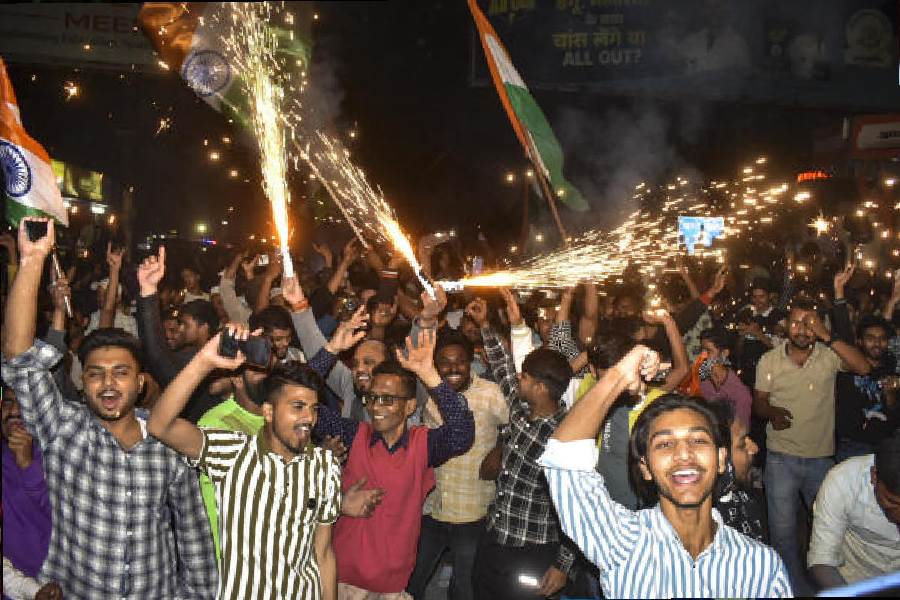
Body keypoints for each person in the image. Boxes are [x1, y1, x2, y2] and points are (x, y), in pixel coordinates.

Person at [0, 217, 218, 598]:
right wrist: (32, 259)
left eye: (120, 373)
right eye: (96, 374)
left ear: (140, 383)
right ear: (82, 383)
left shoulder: (168, 439)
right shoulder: (64, 429)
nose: (108, 383)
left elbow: (193, 536)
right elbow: (18, 356)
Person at [540, 344, 792, 598]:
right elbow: (563, 462)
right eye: (665, 444)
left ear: (720, 459)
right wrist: (618, 376)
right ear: (645, 468)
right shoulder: (622, 542)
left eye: (698, 440)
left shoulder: (760, 565)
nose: (683, 454)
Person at [148, 324, 342, 600]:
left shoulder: (324, 465)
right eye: (297, 407)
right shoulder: (233, 451)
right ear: (269, 412)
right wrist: (204, 361)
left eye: (312, 409)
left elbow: (323, 553)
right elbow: (159, 425)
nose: (308, 418)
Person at [310, 322, 475, 598]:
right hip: (341, 582)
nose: (376, 407)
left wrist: (430, 375)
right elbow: (296, 392)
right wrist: (330, 350)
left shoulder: (422, 445)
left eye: (388, 399)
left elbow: (462, 433)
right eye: (373, 398)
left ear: (410, 406)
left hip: (391, 588)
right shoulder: (353, 436)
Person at [754, 296, 871, 594]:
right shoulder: (770, 360)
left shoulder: (828, 356)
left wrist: (828, 336)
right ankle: (792, 588)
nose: (802, 329)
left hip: (821, 460)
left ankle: (831, 587)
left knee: (829, 531)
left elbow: (863, 367)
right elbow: (759, 402)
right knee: (782, 536)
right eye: (796, 322)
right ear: (786, 326)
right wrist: (773, 413)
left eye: (809, 323)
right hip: (780, 459)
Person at [474, 312, 577, 600]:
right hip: (496, 538)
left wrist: (562, 565)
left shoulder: (564, 438)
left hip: (533, 550)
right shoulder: (522, 411)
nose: (518, 378)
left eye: (525, 376)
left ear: (541, 387)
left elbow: (576, 508)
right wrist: (485, 323)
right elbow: (502, 368)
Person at [406, 329, 508, 600]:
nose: (453, 368)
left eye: (460, 360)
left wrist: (499, 450)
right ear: (435, 366)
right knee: (413, 579)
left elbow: (515, 425)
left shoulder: (490, 393)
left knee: (464, 586)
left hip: (472, 510)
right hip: (432, 506)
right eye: (445, 362)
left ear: (470, 361)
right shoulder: (428, 393)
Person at [136, 246, 222, 422]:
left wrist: (148, 293)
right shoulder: (185, 356)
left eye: (185, 324)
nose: (180, 329)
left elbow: (158, 356)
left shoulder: (223, 355)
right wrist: (148, 291)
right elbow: (158, 358)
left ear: (203, 327)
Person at [808, 431, 900, 589]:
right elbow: (822, 562)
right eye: (892, 502)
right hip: (854, 583)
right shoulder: (843, 481)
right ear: (874, 476)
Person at [285, 275, 385, 420]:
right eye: (355, 364)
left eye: (369, 362)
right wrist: (299, 306)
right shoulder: (351, 386)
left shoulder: (405, 397)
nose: (359, 369)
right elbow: (304, 381)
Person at [2, 384, 52, 584]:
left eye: (23, 402)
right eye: (7, 402)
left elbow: (67, 520)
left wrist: (28, 465)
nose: (14, 412)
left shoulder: (62, 456)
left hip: (55, 586)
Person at [835, 316, 899, 461]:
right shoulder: (846, 369)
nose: (877, 343)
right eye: (870, 338)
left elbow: (894, 416)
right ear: (860, 341)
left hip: (885, 448)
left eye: (882, 338)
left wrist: (891, 396)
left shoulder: (891, 371)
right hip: (852, 446)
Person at [706, 398, 767, 543]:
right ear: (718, 456)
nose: (754, 448)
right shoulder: (707, 527)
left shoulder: (742, 500)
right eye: (741, 444)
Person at [698, 326, 753, 427]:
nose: (703, 356)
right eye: (702, 350)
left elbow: (741, 430)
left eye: (708, 351)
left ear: (724, 353)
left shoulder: (739, 391)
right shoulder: (703, 375)